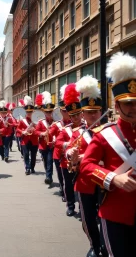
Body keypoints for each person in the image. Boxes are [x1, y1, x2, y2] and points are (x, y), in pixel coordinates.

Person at [80, 52, 136, 257]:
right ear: (117, 104)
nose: (134, 107)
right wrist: (113, 178)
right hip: (115, 212)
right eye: (128, 102)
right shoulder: (105, 134)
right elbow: (86, 167)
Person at [66, 75, 105, 257]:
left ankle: (105, 244)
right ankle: (94, 245)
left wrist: (85, 157)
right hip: (85, 181)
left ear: (100, 111)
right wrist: (72, 156)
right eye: (88, 111)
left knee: (106, 217)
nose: (92, 115)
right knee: (88, 218)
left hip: (105, 181)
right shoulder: (77, 133)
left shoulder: (109, 132)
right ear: (83, 113)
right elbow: (70, 156)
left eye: (96, 111)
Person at [55, 84, 84, 217]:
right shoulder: (65, 130)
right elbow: (58, 142)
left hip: (82, 162)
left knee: (83, 185)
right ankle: (70, 205)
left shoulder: (87, 128)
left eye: (78, 114)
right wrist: (67, 145)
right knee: (68, 185)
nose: (76, 118)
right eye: (73, 115)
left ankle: (85, 207)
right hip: (66, 162)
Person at [49, 85, 71, 202]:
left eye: (68, 111)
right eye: (64, 111)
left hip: (73, 155)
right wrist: (52, 139)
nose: (66, 113)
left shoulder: (78, 123)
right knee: (62, 177)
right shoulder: (57, 124)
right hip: (59, 154)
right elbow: (49, 134)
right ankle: (63, 191)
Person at [35, 91, 55, 185]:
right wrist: (42, 133)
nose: (48, 114)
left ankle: (48, 177)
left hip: (52, 145)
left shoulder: (56, 122)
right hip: (43, 145)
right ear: (44, 112)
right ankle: (48, 174)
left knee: (50, 160)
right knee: (46, 161)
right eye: (47, 112)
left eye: (50, 112)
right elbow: (36, 131)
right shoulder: (41, 121)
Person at [16, 96, 38, 174]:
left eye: (30, 112)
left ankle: (32, 167)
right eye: (27, 112)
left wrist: (34, 130)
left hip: (34, 140)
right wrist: (22, 132)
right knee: (25, 154)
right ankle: (27, 168)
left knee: (33, 155)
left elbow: (39, 129)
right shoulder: (22, 120)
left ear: (33, 111)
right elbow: (18, 129)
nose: (29, 113)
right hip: (25, 140)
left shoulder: (36, 120)